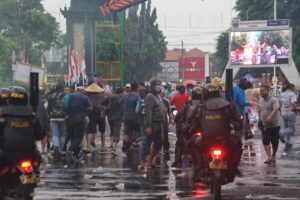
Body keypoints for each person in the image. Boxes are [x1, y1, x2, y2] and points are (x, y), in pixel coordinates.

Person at [195, 84, 243, 181]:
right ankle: (233, 169)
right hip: (226, 139)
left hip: (207, 140)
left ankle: (201, 169)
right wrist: (238, 128)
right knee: (238, 146)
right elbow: (237, 120)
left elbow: (194, 122)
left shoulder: (201, 107)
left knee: (194, 144)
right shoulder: (228, 105)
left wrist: (190, 130)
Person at [0, 86, 44, 169]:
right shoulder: (32, 115)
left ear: (10, 99)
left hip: (7, 153)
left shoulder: (3, 114)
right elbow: (40, 135)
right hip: (29, 153)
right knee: (37, 159)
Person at [172, 87, 204, 167]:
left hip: (190, 129)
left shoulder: (189, 104)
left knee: (179, 144)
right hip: (200, 129)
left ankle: (178, 162)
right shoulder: (206, 103)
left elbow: (180, 115)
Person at [140, 79, 166, 169]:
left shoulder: (158, 95)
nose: (158, 86)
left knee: (160, 143)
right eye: (157, 85)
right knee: (147, 143)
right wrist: (148, 126)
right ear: (153, 86)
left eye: (160, 84)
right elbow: (148, 112)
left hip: (160, 123)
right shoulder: (149, 96)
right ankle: (143, 161)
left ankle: (150, 159)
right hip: (152, 123)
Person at [62, 86, 92, 160]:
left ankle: (74, 154)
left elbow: (63, 106)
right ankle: (70, 150)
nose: (84, 91)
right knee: (78, 137)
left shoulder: (67, 96)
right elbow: (90, 107)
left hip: (69, 119)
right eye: (83, 90)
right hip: (80, 119)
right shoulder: (84, 98)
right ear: (80, 90)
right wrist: (84, 109)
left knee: (72, 136)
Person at [258, 84, 280, 164]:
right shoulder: (260, 101)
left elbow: (276, 108)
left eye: (263, 91)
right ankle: (269, 157)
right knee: (265, 141)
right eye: (260, 91)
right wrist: (260, 119)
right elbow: (260, 110)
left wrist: (270, 116)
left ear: (268, 91)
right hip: (264, 125)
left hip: (274, 124)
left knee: (275, 141)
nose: (261, 92)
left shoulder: (273, 100)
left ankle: (273, 155)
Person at [85, 83, 106, 153]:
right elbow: (104, 106)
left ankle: (88, 147)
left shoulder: (87, 97)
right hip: (101, 114)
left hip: (91, 114)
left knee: (90, 131)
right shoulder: (102, 96)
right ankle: (103, 147)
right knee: (102, 131)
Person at [103, 87, 124, 155]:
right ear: (121, 93)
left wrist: (105, 111)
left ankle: (112, 145)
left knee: (112, 131)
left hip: (110, 117)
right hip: (117, 118)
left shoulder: (110, 97)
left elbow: (102, 103)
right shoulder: (122, 98)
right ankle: (114, 148)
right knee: (116, 132)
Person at [122, 82, 141, 155]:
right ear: (137, 88)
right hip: (135, 119)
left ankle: (124, 149)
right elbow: (137, 109)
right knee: (138, 132)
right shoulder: (137, 97)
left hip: (126, 118)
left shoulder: (126, 96)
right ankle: (132, 141)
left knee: (127, 133)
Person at [47, 84, 66, 156]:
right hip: (63, 117)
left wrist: (49, 115)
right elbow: (67, 105)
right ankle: (61, 150)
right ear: (62, 89)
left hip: (53, 117)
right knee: (62, 134)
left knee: (55, 133)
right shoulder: (65, 95)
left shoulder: (50, 96)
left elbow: (48, 108)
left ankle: (56, 147)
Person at [279, 83, 297, 154]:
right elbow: (294, 104)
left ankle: (288, 141)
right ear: (291, 87)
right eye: (294, 87)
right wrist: (297, 108)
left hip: (283, 113)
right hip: (290, 112)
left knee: (286, 127)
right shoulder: (292, 94)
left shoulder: (282, 94)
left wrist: (281, 111)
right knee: (291, 129)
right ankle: (282, 133)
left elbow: (279, 104)